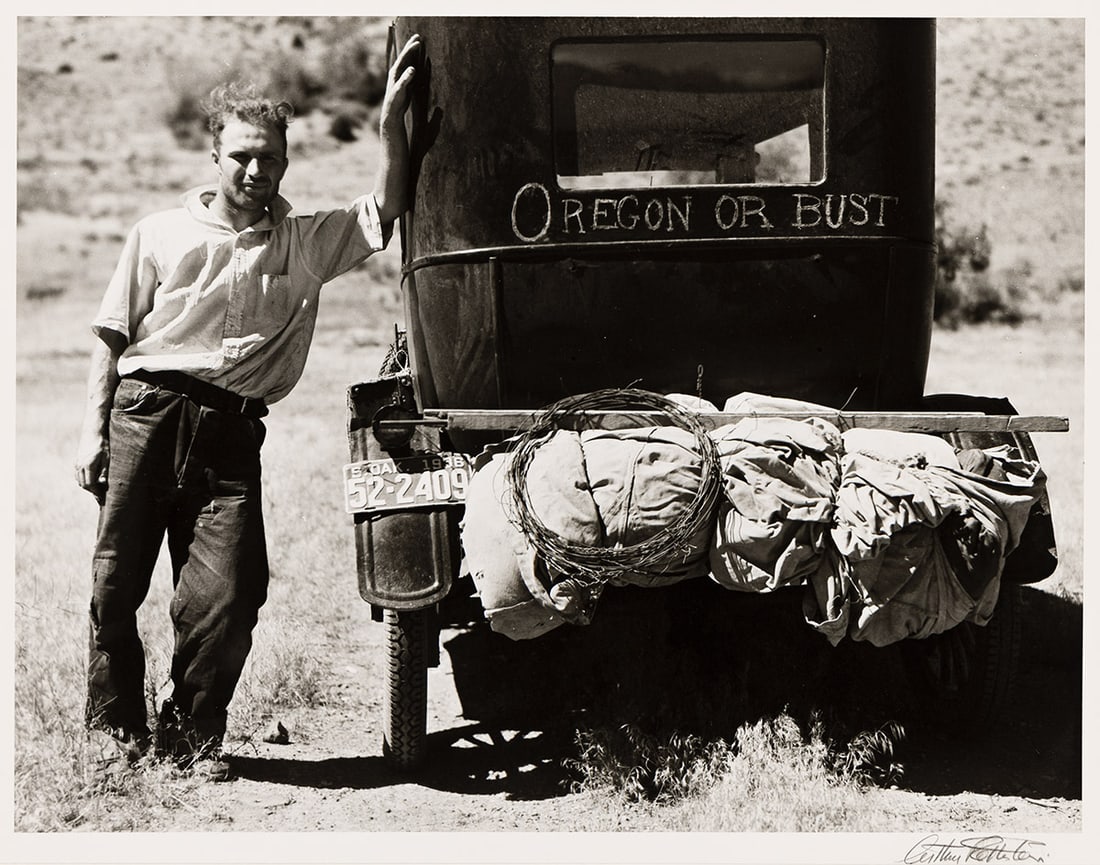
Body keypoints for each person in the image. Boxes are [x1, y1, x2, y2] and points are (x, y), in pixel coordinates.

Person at [74, 33, 422, 782]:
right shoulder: (158, 233)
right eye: (242, 156)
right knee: (115, 584)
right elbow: (111, 334)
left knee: (229, 596)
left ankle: (191, 737)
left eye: (271, 158)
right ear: (215, 155)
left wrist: (390, 123)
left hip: (231, 436)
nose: (257, 171)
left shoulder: (304, 243)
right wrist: (91, 431)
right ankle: (115, 732)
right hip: (147, 414)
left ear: (286, 162)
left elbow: (385, 209)